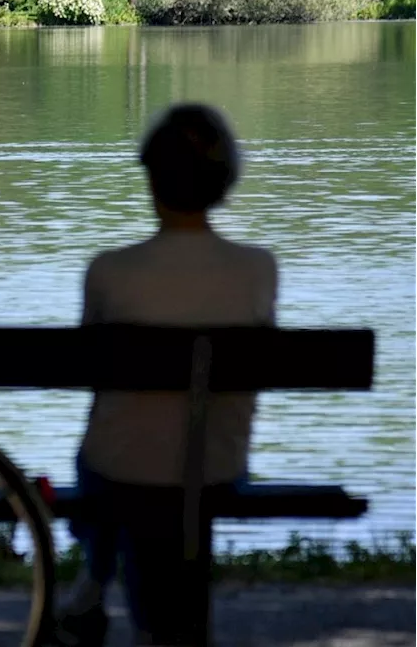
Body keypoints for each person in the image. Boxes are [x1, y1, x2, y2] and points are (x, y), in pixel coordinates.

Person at [56, 103, 278, 646]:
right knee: (170, 470)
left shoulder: (109, 270)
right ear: (225, 182)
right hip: (218, 466)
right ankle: (161, 624)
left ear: (150, 181)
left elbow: (92, 373)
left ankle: (96, 580)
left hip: (120, 467)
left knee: (106, 463)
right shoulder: (258, 269)